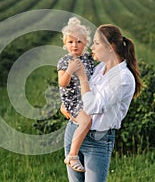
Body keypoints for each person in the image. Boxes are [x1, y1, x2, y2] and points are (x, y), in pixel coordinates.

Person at [62, 24, 143, 182]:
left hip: (97, 141)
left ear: (110, 47)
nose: (91, 47)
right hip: (74, 131)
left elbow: (93, 106)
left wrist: (83, 78)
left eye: (96, 43)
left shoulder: (123, 78)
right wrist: (68, 105)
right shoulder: (100, 69)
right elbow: (83, 96)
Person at [57, 17, 95, 172]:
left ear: (86, 42)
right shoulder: (64, 61)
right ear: (65, 43)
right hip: (72, 101)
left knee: (90, 118)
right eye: (71, 42)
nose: (75, 45)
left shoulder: (88, 59)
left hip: (86, 98)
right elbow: (62, 83)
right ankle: (72, 156)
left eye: (79, 42)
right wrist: (70, 70)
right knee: (86, 121)